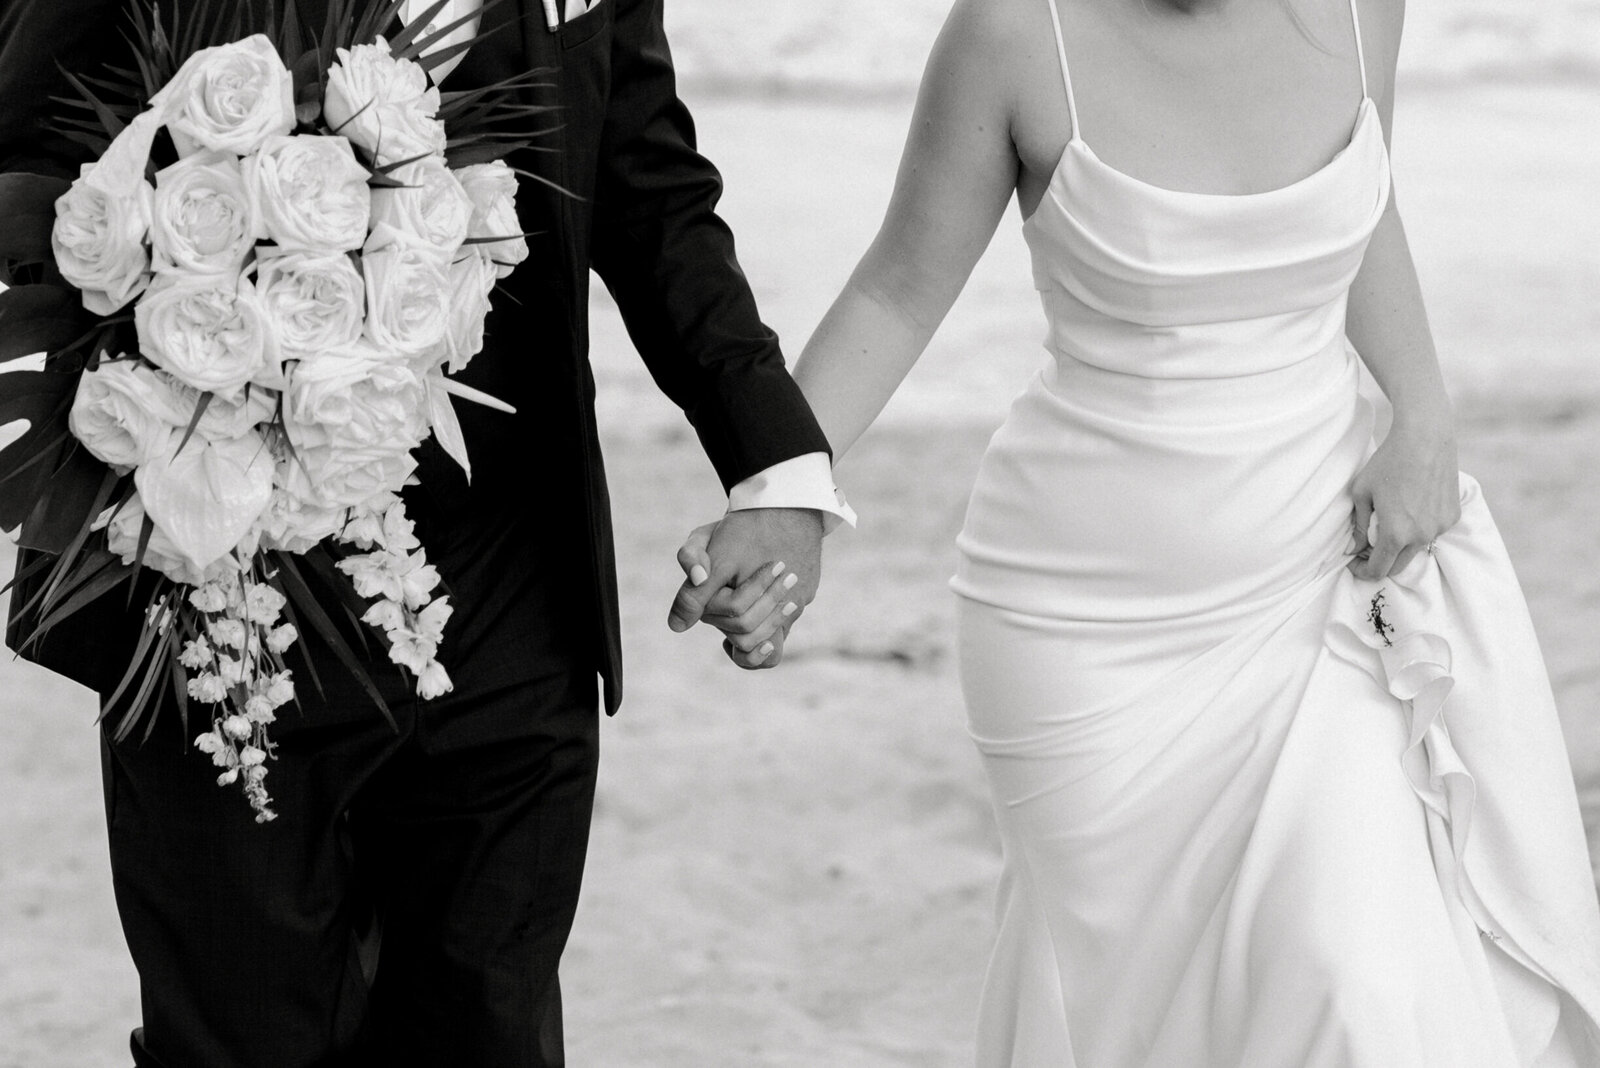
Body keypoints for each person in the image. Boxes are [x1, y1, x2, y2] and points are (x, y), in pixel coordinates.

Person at [678, 0, 1600, 1061]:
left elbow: (1363, 206)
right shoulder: (1013, 34)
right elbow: (898, 292)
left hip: (1319, 583)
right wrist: (781, 492)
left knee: (1356, 982)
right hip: (1081, 628)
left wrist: (1424, 417)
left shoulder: (1359, 9)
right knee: (1128, 1010)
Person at [0, 0, 848, 1064]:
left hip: (514, 579)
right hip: (220, 576)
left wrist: (774, 467)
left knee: (487, 1028)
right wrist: (185, 306)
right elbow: (23, 146)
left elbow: (645, 182)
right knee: (236, 1039)